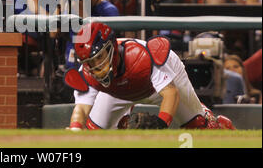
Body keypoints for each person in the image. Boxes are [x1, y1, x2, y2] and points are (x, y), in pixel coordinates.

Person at [65, 22, 236, 130]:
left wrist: (161, 124)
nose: (96, 67)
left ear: (112, 49)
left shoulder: (143, 58)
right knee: (95, 131)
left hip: (162, 83)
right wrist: (75, 129)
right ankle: (122, 121)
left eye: (100, 58)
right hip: (117, 89)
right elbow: (81, 108)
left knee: (199, 126)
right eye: (90, 62)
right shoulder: (87, 73)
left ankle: (216, 122)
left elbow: (171, 93)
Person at [63, 0, 119, 70]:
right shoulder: (70, 8)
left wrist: (82, 7)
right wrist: (62, 0)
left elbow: (87, 38)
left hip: (96, 70)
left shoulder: (109, 10)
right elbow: (53, 33)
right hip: (71, 68)